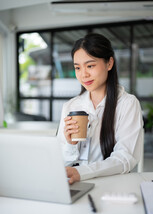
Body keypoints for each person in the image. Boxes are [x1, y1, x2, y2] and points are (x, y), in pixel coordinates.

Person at [57, 33, 143, 184]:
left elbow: (125, 157)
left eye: (90, 65)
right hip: (75, 183)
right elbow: (60, 162)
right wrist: (71, 146)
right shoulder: (71, 106)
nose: (84, 74)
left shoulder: (127, 104)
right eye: (77, 68)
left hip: (112, 186)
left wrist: (82, 172)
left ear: (109, 63)